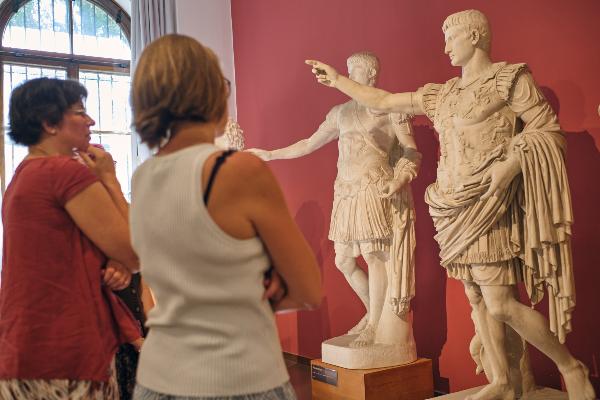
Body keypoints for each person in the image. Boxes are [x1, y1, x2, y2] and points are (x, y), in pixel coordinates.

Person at [306, 9, 595, 400]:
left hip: (489, 202)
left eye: (451, 38)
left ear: (475, 36)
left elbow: (547, 131)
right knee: (476, 297)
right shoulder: (442, 94)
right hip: (451, 207)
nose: (444, 47)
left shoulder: (510, 80)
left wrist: (511, 164)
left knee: (501, 302)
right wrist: (338, 80)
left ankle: (569, 367)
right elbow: (385, 100)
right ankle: (503, 382)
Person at [129, 34, 321, 400]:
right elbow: (308, 289)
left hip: (156, 380)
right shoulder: (238, 171)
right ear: (211, 93)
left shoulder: (143, 178)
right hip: (239, 379)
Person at [249, 51, 420, 350]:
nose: (351, 76)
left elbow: (410, 151)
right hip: (346, 189)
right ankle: (372, 314)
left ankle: (377, 324)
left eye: (357, 72)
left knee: (374, 257)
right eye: (349, 71)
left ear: (372, 75)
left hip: (373, 186)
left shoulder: (387, 107)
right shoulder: (340, 112)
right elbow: (308, 143)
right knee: (343, 259)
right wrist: (271, 154)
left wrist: (400, 178)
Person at [0, 77, 141, 399]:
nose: (90, 120)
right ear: (50, 123)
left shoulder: (26, 174)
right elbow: (136, 252)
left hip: (30, 345)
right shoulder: (62, 172)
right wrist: (109, 178)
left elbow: (83, 251)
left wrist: (113, 262)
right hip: (64, 348)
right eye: (79, 112)